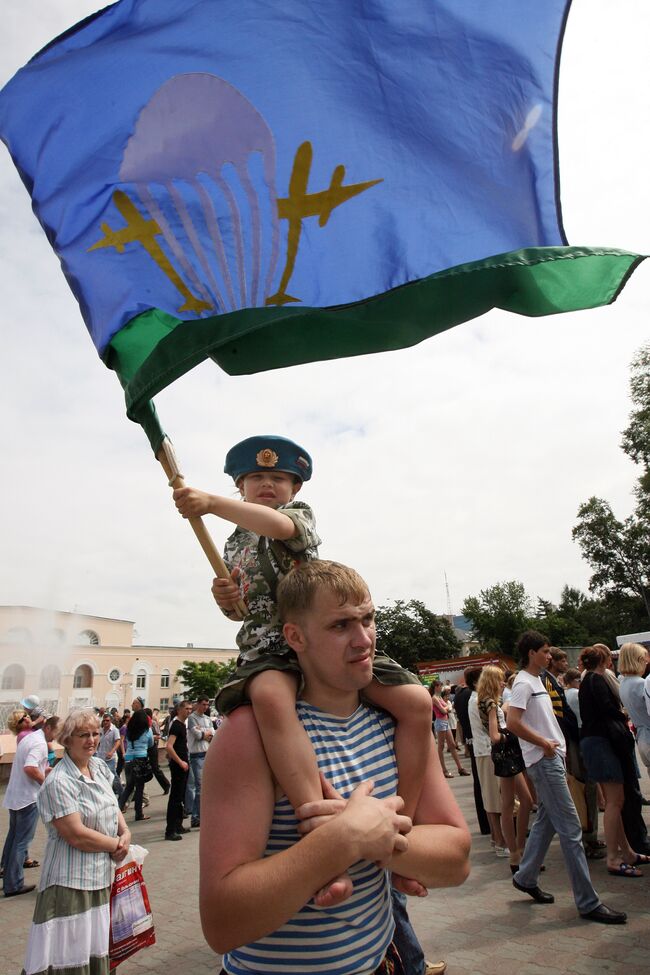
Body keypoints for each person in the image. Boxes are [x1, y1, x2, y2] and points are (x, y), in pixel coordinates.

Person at [175, 435, 432, 900]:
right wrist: (227, 600)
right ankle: (321, 839)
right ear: (241, 486)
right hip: (270, 646)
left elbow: (278, 528)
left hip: (324, 638)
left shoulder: (297, 517)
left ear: (294, 488)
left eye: (279, 478)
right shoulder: (232, 544)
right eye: (257, 478)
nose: (268, 485)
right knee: (271, 698)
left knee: (416, 701)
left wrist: (210, 502)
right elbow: (242, 611)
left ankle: (401, 830)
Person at [199, 560, 470, 972]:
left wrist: (376, 836)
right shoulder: (249, 734)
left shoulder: (395, 725)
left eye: (368, 619)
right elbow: (222, 923)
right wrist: (343, 839)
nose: (364, 640)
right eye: (340, 625)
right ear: (295, 636)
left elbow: (457, 858)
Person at [507, 630, 625, 924]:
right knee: (571, 830)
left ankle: (526, 875)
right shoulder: (523, 683)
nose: (549, 655)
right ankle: (588, 902)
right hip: (544, 762)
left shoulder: (536, 680)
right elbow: (512, 722)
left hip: (549, 759)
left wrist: (548, 745)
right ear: (532, 653)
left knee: (549, 820)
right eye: (545, 651)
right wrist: (543, 743)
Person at [21, 709, 131, 975]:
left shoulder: (98, 767)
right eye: (83, 735)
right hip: (71, 884)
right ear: (67, 740)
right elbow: (76, 834)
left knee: (95, 951)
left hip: (101, 879)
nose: (91, 740)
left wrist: (125, 831)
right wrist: (116, 845)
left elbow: (111, 803)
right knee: (69, 957)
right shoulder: (59, 781)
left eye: (95, 734)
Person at [578, 644, 648, 877]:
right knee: (615, 801)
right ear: (605, 660)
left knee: (613, 801)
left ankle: (625, 852)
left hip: (596, 743)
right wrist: (623, 714)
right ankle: (614, 857)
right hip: (601, 743)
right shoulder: (596, 680)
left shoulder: (588, 680)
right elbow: (608, 710)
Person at [476, 665, 532, 873]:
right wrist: (509, 732)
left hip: (502, 755)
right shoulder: (491, 704)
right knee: (519, 802)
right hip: (506, 753)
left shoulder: (483, 701)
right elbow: (495, 735)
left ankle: (517, 852)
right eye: (499, 679)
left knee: (513, 803)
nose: (502, 683)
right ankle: (518, 851)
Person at [2, 714, 60, 896]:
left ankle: (9, 878)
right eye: (56, 732)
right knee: (21, 842)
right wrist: (46, 783)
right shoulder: (40, 743)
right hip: (28, 798)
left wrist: (45, 770)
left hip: (16, 796)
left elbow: (31, 765)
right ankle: (14, 884)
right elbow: (30, 768)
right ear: (48, 728)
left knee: (14, 839)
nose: (56, 737)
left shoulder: (30, 738)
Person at [453, 668, 491, 835]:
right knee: (486, 787)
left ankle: (485, 824)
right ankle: (490, 825)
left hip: (472, 740)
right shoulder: (473, 697)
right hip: (480, 743)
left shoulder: (462, 695)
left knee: (479, 784)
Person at [619, 642, 650, 775]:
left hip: (641, 737)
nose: (646, 663)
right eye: (644, 660)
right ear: (637, 660)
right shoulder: (641, 683)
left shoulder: (623, 683)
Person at [118, 708, 154, 822]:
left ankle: (117, 811)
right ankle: (139, 813)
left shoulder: (128, 730)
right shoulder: (147, 731)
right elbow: (151, 743)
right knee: (139, 787)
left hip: (129, 759)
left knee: (129, 787)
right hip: (141, 759)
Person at [430, 680, 468, 778]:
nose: (441, 688)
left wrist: (447, 707)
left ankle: (460, 768)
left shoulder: (438, 697)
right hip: (441, 722)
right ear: (436, 687)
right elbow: (444, 710)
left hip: (445, 722)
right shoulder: (434, 698)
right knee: (441, 746)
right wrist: (448, 707)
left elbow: (447, 707)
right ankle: (444, 770)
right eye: (440, 686)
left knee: (452, 745)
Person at [165, 699, 191, 841]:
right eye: (186, 708)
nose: (189, 711)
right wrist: (180, 762)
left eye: (190, 709)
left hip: (184, 764)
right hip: (178, 766)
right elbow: (169, 746)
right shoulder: (175, 725)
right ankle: (170, 830)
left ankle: (178, 825)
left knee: (180, 796)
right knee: (175, 798)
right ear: (180, 709)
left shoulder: (182, 725)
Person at [186, 695, 214, 828]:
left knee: (205, 787)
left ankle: (202, 815)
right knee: (199, 787)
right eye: (203, 704)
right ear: (198, 704)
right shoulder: (192, 718)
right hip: (196, 755)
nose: (206, 707)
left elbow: (213, 734)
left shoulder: (208, 719)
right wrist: (205, 733)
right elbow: (197, 736)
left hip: (207, 753)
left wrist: (204, 732)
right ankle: (196, 817)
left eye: (207, 705)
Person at [96, 711, 123, 798]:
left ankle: (122, 794)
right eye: (104, 720)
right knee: (101, 776)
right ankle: (106, 795)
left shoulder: (114, 730)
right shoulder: (101, 731)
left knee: (113, 777)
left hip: (110, 758)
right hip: (100, 757)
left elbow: (118, 741)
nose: (105, 722)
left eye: (107, 720)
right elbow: (98, 742)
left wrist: (112, 751)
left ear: (110, 721)